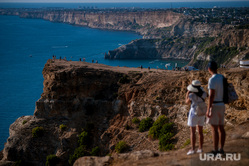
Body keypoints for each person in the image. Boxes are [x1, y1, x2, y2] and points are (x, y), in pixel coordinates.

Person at [206, 61, 226, 155]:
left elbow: (211, 95)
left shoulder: (212, 79)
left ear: (209, 69)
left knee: (214, 129)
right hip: (222, 104)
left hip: (215, 105)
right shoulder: (222, 77)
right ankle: (221, 149)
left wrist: (208, 109)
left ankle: (215, 150)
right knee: (221, 128)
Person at [185, 80, 207, 155]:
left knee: (193, 132)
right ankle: (200, 148)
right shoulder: (204, 93)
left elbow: (187, 102)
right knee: (200, 132)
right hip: (202, 113)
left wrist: (187, 94)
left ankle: (193, 149)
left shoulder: (191, 95)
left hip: (194, 113)